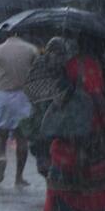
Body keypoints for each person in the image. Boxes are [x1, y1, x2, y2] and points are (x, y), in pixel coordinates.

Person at [42, 34, 105, 211]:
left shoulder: (74, 65)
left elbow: (64, 99)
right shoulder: (101, 66)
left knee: (62, 189)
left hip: (72, 138)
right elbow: (99, 99)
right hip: (96, 139)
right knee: (100, 191)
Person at [0, 33, 39, 187]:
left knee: (0, 132)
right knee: (22, 137)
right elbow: (38, 74)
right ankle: (19, 178)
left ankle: (1, 156)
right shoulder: (31, 50)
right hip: (23, 96)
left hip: (2, 95)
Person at [21, 37, 71, 177]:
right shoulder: (60, 65)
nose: (56, 57)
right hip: (50, 120)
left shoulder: (62, 67)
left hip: (49, 121)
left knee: (47, 158)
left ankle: (52, 181)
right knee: (49, 156)